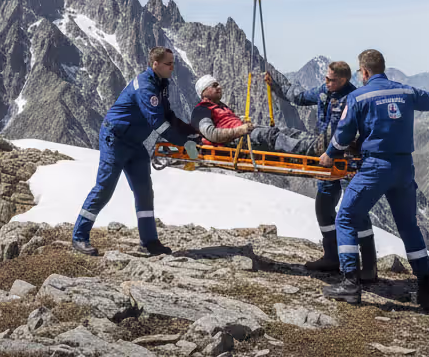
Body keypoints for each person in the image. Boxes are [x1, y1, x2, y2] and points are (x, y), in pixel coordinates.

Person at [319, 49, 429, 309]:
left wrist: (329, 155)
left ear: (364, 72)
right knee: (408, 225)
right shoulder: (406, 91)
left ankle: (350, 284)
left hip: (375, 167)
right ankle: (426, 288)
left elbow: (343, 134)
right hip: (404, 167)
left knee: (346, 217)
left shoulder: (358, 96)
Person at [72, 47, 200, 257]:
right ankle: (79, 237)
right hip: (115, 139)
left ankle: (149, 242)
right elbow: (157, 123)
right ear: (155, 64)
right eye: (169, 63)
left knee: (144, 191)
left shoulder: (162, 84)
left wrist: (191, 134)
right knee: (104, 189)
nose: (172, 67)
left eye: (173, 63)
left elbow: (168, 115)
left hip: (135, 142)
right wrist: (183, 144)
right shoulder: (146, 86)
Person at [266, 63, 361, 273]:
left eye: (331, 80)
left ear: (344, 80)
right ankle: (331, 257)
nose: (326, 83)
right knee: (324, 206)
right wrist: (275, 85)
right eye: (326, 79)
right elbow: (298, 96)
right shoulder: (323, 92)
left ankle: (366, 266)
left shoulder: (354, 98)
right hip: (326, 156)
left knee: (355, 210)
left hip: (348, 159)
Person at [190, 75, 321, 155]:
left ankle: (319, 142)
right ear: (204, 91)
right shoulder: (201, 110)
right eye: (214, 85)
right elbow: (212, 134)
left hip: (242, 134)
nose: (219, 87)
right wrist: (239, 130)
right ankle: (312, 149)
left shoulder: (220, 106)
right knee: (269, 136)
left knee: (284, 131)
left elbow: (225, 122)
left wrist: (241, 121)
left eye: (218, 84)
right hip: (234, 141)